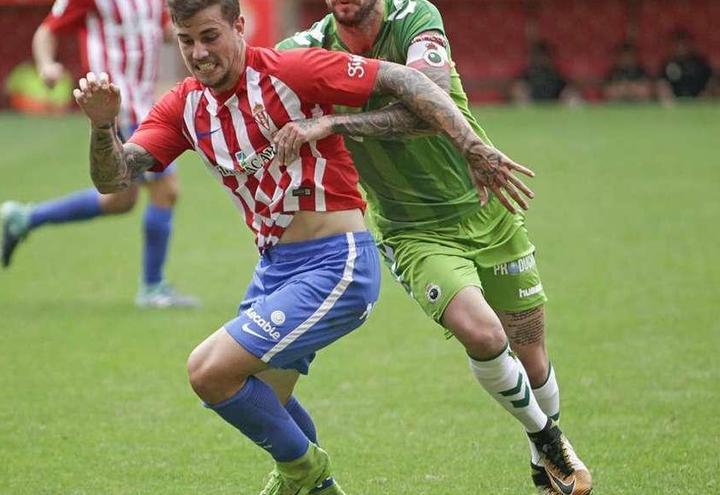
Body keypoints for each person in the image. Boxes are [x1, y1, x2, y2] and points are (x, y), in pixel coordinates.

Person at [73, 0, 532, 492]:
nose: (199, 53)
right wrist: (103, 127)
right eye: (186, 41)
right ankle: (316, 482)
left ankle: (303, 468)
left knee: (207, 372)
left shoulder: (292, 69)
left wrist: (472, 146)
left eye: (210, 36)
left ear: (238, 26)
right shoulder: (184, 106)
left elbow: (411, 82)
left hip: (338, 263)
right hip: (275, 269)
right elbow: (115, 178)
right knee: (267, 401)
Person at [275, 1, 590, 493]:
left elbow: (428, 102)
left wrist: (334, 124)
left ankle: (541, 456)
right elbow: (253, 89)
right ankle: (548, 438)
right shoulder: (306, 50)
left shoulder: (416, 17)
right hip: (411, 230)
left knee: (531, 352)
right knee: (483, 335)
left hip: (488, 205)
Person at [0, 0, 198, 308]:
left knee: (119, 200)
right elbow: (46, 31)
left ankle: (24, 219)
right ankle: (153, 287)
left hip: (144, 104)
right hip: (118, 107)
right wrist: (46, 65)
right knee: (166, 189)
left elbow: (163, 29)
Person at [658, 30, 713, 99]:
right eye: (678, 45)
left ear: (689, 45)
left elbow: (710, 81)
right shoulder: (668, 64)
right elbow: (663, 83)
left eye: (683, 45)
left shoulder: (700, 63)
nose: (681, 48)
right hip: (675, 102)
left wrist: (704, 95)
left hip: (699, 101)